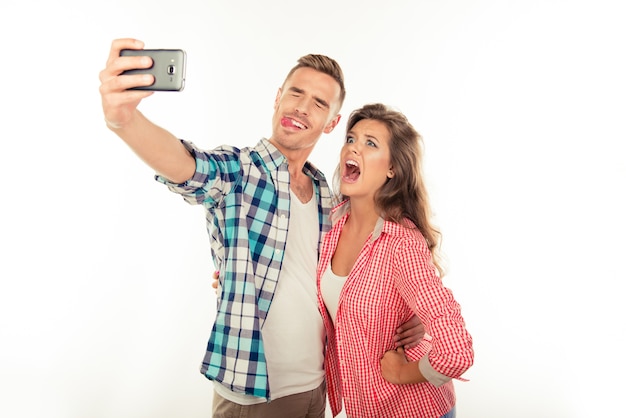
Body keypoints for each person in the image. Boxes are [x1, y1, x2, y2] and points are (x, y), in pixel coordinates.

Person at [99, 38, 424, 418]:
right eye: (296, 93)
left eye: (319, 103)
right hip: (253, 395)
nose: (302, 107)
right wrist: (123, 120)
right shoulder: (238, 172)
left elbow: (378, 259)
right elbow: (186, 165)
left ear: (332, 122)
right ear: (277, 98)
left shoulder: (327, 197)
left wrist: (413, 311)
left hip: (318, 387)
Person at [317, 103, 474, 418]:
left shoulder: (402, 244)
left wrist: (404, 372)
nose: (354, 148)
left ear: (392, 169)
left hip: (415, 409)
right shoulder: (329, 225)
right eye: (351, 139)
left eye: (370, 143)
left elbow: (457, 350)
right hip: (361, 408)